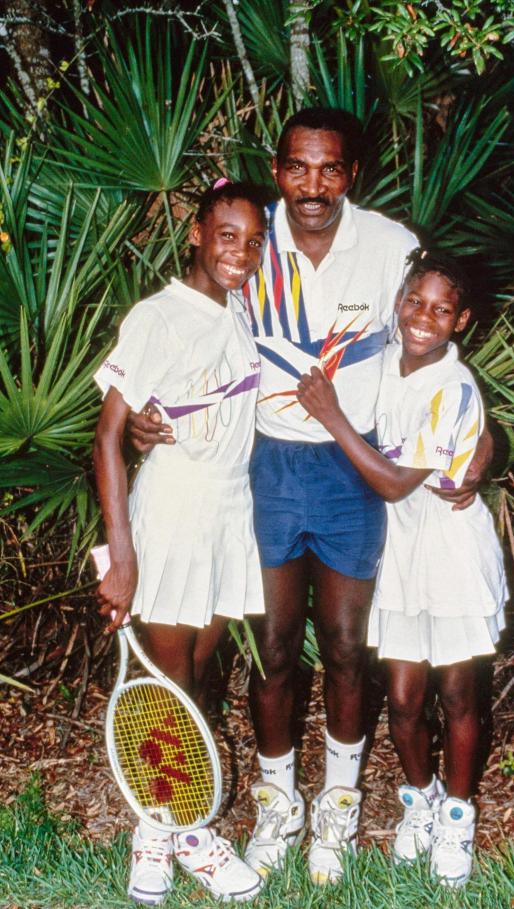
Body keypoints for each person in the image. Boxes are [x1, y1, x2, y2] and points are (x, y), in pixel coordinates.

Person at [126, 108, 493, 886]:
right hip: (267, 467)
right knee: (276, 649)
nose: (313, 185)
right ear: (279, 167)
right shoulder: (252, 238)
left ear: (350, 172)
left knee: (351, 649)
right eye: (298, 167)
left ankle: (337, 806)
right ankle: (277, 805)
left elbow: (435, 352)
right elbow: (190, 345)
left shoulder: (392, 247)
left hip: (355, 472)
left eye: (329, 168)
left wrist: (483, 446)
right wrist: (145, 423)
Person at [296, 250, 508, 888]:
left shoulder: (456, 386)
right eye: (416, 302)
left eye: (442, 310)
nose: (425, 318)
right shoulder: (382, 359)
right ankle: (420, 799)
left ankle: (458, 817)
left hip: (449, 551)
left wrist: (328, 414)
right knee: (405, 696)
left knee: (459, 693)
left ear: (461, 320)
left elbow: (392, 482)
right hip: (399, 551)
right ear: (399, 302)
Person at [92, 182, 269, 906]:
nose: (241, 252)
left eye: (254, 240)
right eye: (227, 235)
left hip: (230, 516)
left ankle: (166, 824)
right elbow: (107, 438)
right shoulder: (156, 316)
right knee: (171, 692)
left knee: (194, 675)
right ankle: (169, 833)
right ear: (196, 233)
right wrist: (122, 555)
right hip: (169, 514)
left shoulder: (243, 310)